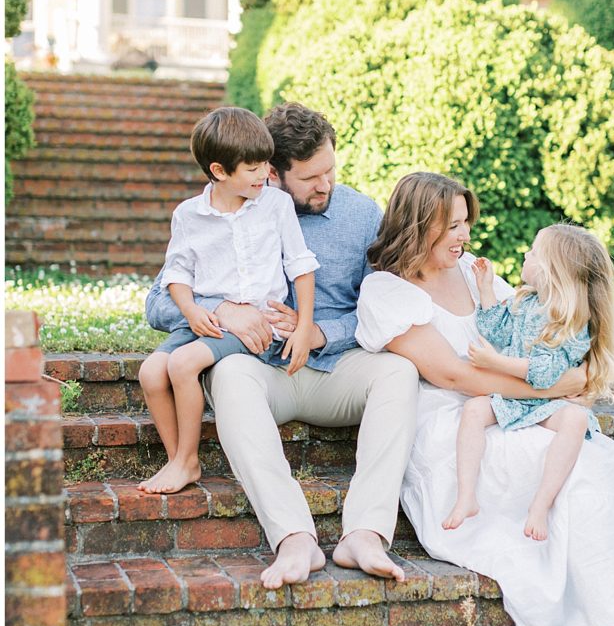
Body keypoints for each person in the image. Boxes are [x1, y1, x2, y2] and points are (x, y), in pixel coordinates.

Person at [356, 172, 614, 626]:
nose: (465, 236)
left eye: (466, 223)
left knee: (611, 464)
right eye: (452, 227)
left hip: (513, 407)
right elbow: (453, 375)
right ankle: (613, 625)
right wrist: (554, 387)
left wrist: (579, 366)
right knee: (581, 472)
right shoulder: (386, 290)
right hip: (455, 424)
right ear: (419, 225)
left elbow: (541, 328)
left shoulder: (471, 274)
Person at [145, 103, 423, 590]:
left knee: (398, 372)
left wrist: (320, 331)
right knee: (228, 376)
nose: (326, 184)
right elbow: (158, 304)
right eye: (311, 177)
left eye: (330, 170)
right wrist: (225, 310)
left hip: (335, 369)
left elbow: (387, 304)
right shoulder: (224, 209)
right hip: (262, 371)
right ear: (272, 173)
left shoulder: (361, 215)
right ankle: (294, 538)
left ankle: (366, 533)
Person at [138, 106, 319, 496]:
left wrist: (304, 327)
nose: (264, 174)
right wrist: (191, 310)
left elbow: (301, 265)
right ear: (219, 171)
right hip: (205, 320)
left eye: (265, 164)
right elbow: (177, 274)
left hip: (259, 323)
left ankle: (186, 459)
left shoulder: (275, 205)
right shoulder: (189, 215)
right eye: (253, 168)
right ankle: (179, 460)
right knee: (151, 373)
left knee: (184, 364)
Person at [443, 225, 614, 541]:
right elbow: (496, 332)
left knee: (576, 419)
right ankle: (466, 497)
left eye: (534, 251)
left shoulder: (569, 319)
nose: (526, 253)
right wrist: (485, 289)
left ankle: (541, 505)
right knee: (473, 409)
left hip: (549, 402)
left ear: (552, 271)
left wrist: (495, 363)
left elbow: (543, 373)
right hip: (517, 398)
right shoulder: (526, 301)